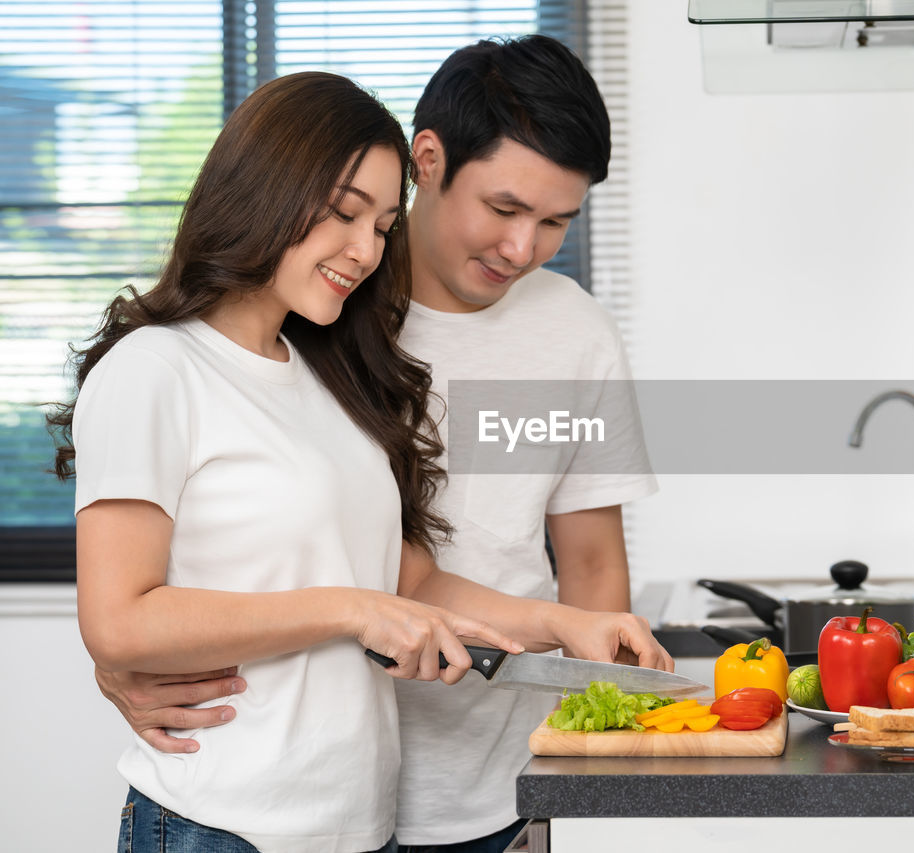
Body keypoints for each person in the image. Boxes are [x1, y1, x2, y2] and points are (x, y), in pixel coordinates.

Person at [93, 35, 666, 853]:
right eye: (505, 209)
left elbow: (415, 573)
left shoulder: (334, 357)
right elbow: (135, 601)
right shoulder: (241, 345)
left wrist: (564, 630)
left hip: (418, 798)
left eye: (554, 223)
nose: (522, 247)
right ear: (427, 159)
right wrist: (122, 661)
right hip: (248, 811)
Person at [53, 70, 527, 852]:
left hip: (356, 824)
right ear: (265, 187)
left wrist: (570, 626)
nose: (367, 249)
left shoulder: (328, 374)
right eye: (345, 214)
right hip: (223, 824)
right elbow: (118, 620)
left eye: (382, 226)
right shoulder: (156, 369)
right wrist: (349, 608)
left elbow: (403, 581)